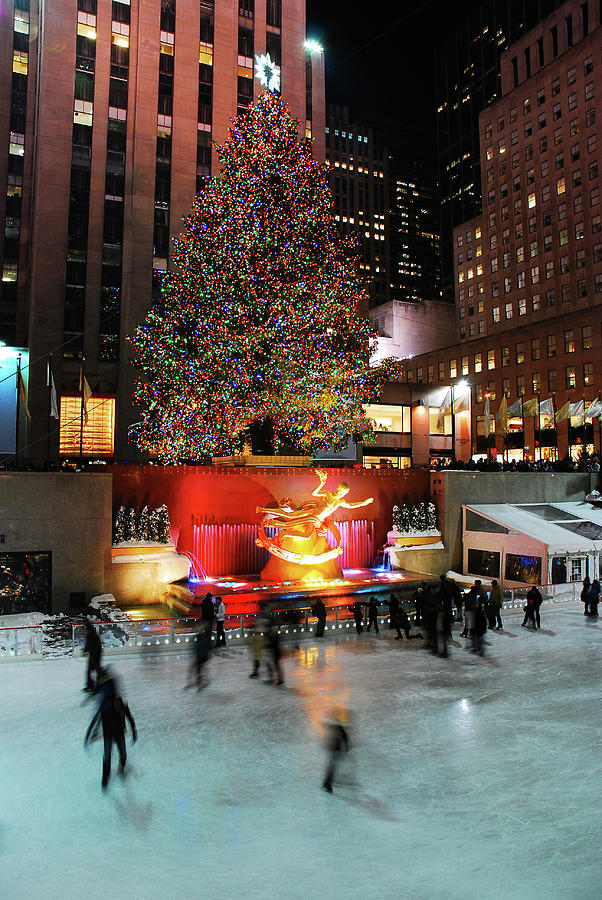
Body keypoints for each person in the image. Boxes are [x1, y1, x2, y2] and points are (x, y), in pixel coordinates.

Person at [84, 667, 137, 790]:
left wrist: (134, 731)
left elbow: (128, 716)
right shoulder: (106, 705)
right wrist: (89, 735)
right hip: (110, 733)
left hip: (117, 733)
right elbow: (96, 720)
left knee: (121, 755)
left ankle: (118, 771)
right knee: (109, 756)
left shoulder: (116, 703)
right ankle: (105, 778)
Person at [322, 708, 350, 794]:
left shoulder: (331, 724)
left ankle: (327, 783)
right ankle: (327, 784)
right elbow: (344, 736)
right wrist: (346, 747)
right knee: (332, 767)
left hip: (334, 749)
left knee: (332, 767)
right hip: (335, 749)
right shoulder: (336, 725)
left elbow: (343, 736)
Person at [187, 622, 212, 689]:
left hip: (202, 657)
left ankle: (200, 683)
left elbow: (208, 647)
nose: (198, 629)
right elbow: (196, 647)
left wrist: (205, 655)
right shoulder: (198, 637)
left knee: (198, 670)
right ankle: (199, 682)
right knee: (196, 669)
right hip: (200, 656)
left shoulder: (204, 637)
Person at [82, 618, 102, 692]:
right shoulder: (90, 634)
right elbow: (88, 644)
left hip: (96, 655)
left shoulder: (92, 635)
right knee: (91, 671)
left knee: (97, 670)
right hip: (93, 655)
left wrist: (93, 656)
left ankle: (97, 685)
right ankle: (90, 685)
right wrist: (85, 651)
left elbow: (93, 645)